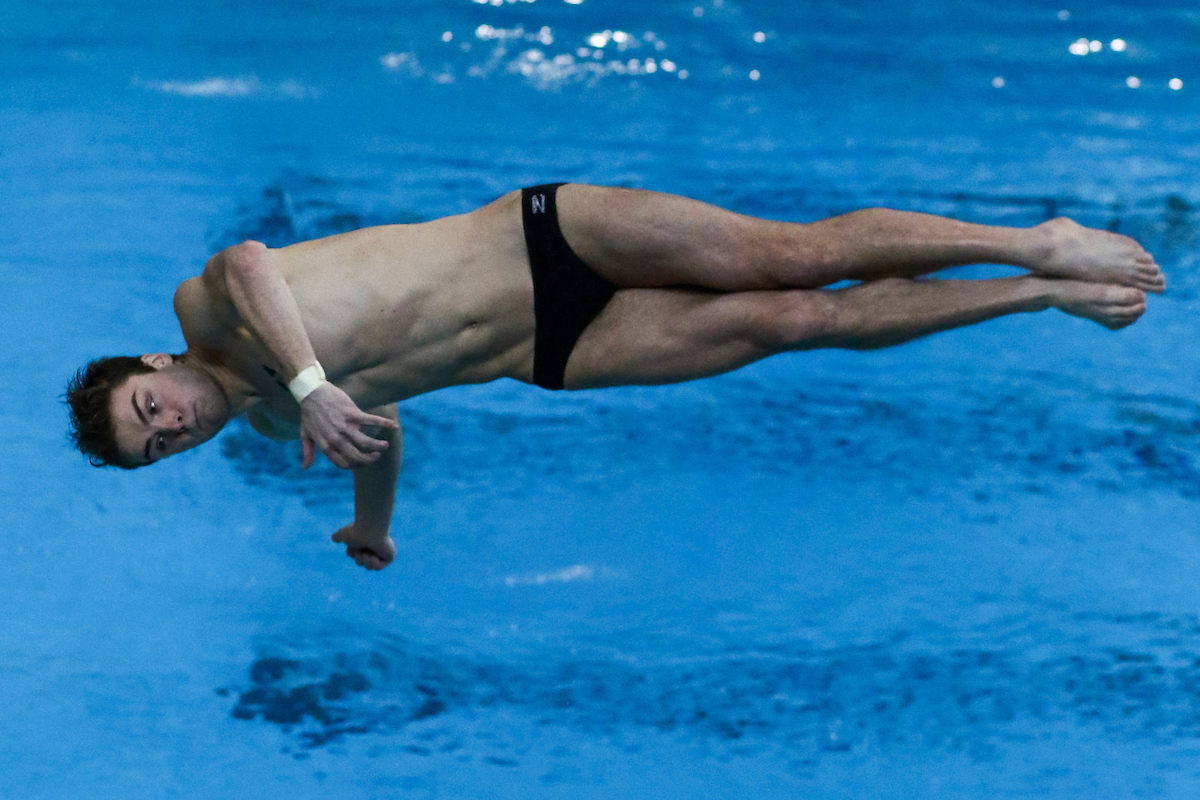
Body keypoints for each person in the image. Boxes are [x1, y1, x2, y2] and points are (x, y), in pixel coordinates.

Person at [65, 183, 1164, 571]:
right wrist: (372, 522)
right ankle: (1039, 295)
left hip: (539, 241)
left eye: (148, 408)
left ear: (156, 367)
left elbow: (251, 260)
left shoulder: (202, 310)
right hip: (546, 352)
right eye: (158, 443)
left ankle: (1035, 243)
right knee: (793, 324)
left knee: (795, 255)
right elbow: (380, 419)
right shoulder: (264, 425)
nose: (172, 425)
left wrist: (308, 383)